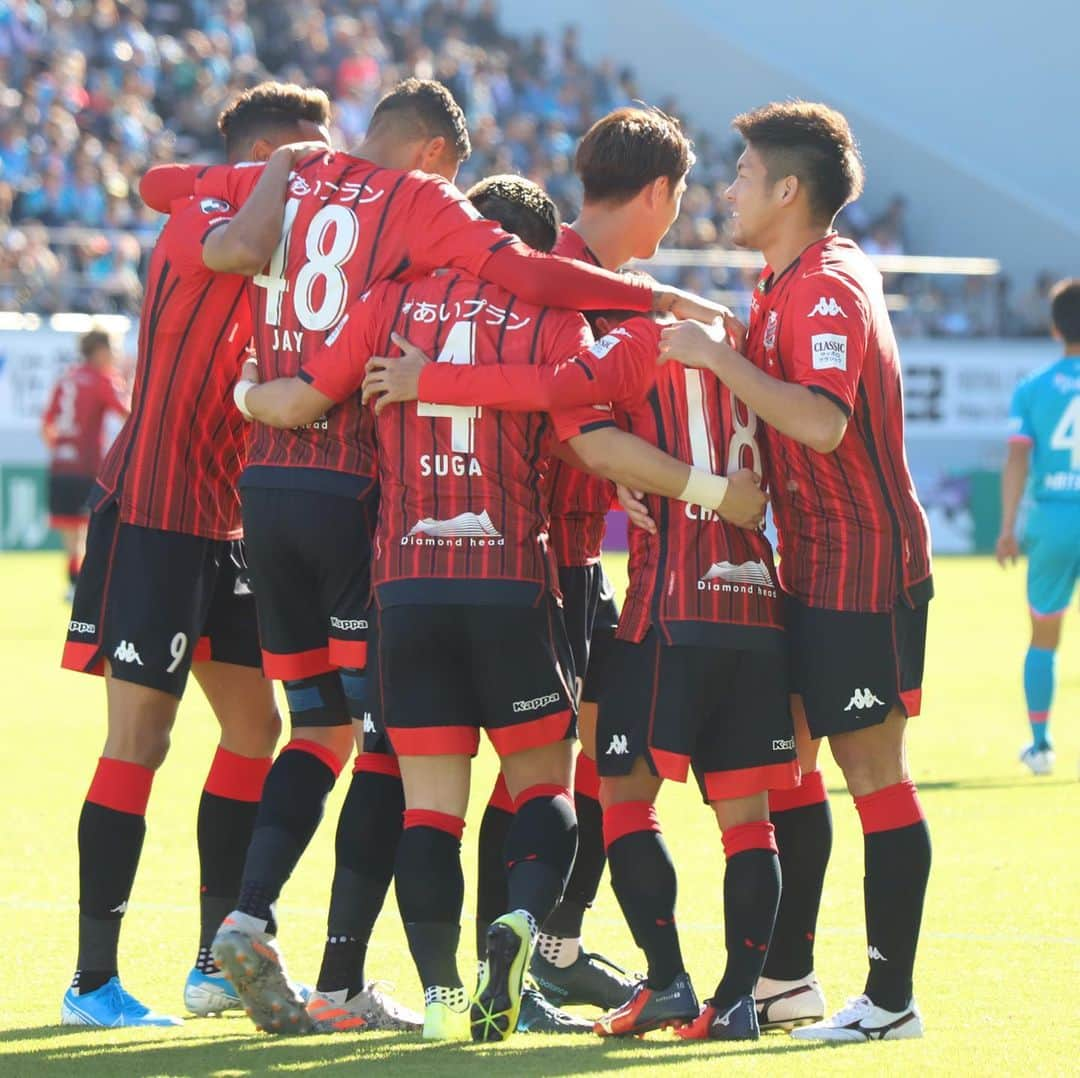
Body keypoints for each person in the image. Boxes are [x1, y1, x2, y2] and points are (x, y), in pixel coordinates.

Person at [138, 76, 727, 1035]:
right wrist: (665, 324)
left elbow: (163, 187)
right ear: (434, 166)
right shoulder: (458, 242)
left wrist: (249, 393)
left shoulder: (317, 207)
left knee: (342, 745)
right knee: (499, 770)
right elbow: (584, 389)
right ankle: (478, 962)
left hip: (284, 498)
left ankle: (271, 931)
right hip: (456, 550)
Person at [658, 100, 933, 1043]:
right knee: (791, 763)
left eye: (740, 173)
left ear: (787, 190)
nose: (726, 187)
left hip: (863, 564)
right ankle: (787, 981)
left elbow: (820, 421)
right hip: (809, 564)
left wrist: (708, 355)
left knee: (873, 772)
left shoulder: (825, 288)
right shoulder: (783, 283)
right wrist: (712, 330)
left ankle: (891, 1002)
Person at [58, 82, 330, 1030]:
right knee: (142, 742)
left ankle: (214, 963)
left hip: (231, 528)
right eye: (305, 154)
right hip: (155, 514)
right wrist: (280, 177)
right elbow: (234, 236)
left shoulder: (295, 250)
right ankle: (92, 982)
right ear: (263, 157)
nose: (321, 171)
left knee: (255, 732)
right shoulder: (198, 218)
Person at [997, 277, 1080, 776]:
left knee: (1043, 638)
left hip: (1053, 519)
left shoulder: (1032, 388)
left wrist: (1007, 526)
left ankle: (1042, 745)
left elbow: (1016, 461)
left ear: (1054, 328)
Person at [40, 328, 128, 598]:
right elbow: (128, 413)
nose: (116, 355)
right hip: (90, 465)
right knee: (98, 524)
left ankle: (73, 582)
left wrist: (62, 449)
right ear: (100, 351)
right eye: (113, 349)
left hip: (62, 464)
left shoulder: (67, 378)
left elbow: (47, 426)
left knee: (71, 528)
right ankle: (94, 583)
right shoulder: (103, 380)